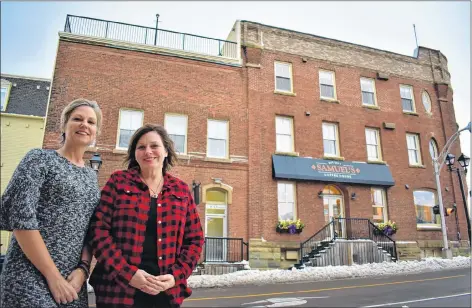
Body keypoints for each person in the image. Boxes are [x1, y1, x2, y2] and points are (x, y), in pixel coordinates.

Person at [0, 98, 103, 307]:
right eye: (77, 119)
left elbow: (91, 230)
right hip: (29, 276)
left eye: (91, 122)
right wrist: (52, 276)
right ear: (64, 125)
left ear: (96, 132)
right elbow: (21, 217)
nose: (84, 124)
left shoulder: (92, 178)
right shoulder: (39, 159)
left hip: (72, 283)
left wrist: (83, 270)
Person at [89, 123, 204, 308]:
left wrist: (176, 276)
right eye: (141, 147)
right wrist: (128, 274)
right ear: (134, 153)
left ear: (166, 151)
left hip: (165, 294)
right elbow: (98, 232)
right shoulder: (118, 182)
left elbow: (195, 239)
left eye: (154, 146)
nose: (148, 151)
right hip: (118, 292)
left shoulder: (181, 190)